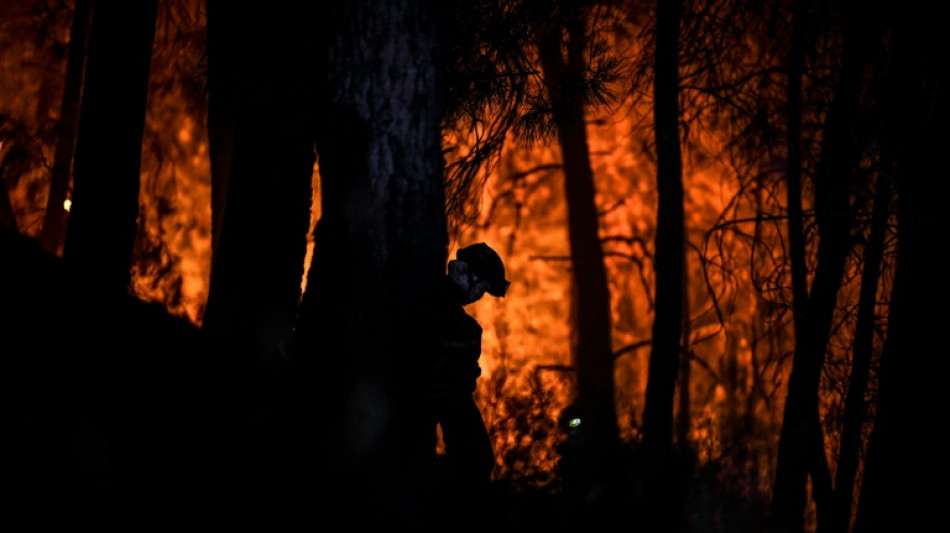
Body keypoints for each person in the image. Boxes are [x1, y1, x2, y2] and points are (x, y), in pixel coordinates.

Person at [429, 242, 510, 515]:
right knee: (476, 461)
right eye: (480, 286)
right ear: (461, 270)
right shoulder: (444, 311)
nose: (478, 295)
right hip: (435, 398)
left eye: (484, 291)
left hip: (445, 398)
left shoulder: (463, 324)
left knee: (477, 460)